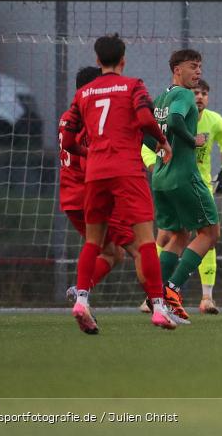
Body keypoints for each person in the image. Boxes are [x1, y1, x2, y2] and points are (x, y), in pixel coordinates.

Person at [60, 34, 175, 333]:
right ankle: (159, 307)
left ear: (97, 61)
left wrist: (92, 152)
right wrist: (162, 142)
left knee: (93, 242)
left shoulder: (83, 93)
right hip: (127, 170)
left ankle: (82, 300)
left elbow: (70, 139)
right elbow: (146, 119)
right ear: (123, 59)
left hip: (96, 173)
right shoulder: (133, 86)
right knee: (145, 241)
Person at [140, 78, 222, 314]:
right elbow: (147, 147)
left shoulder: (214, 120)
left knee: (187, 236)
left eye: (204, 92)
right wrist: (163, 164)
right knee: (181, 236)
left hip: (198, 185)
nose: (199, 96)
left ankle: (203, 297)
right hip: (181, 182)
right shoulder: (176, 113)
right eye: (195, 92)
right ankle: (166, 290)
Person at [60, 66, 146, 306]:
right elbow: (90, 161)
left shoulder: (68, 116)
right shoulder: (90, 118)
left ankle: (80, 291)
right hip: (92, 194)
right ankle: (157, 304)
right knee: (139, 248)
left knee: (112, 253)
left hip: (70, 196)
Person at [148, 49, 221, 323]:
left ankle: (156, 295)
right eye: (193, 66)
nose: (198, 72)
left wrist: (160, 148)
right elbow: (177, 121)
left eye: (200, 66)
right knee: (210, 232)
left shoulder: (160, 99)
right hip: (183, 176)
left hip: (161, 179)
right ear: (177, 69)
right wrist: (192, 141)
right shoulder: (183, 95)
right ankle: (172, 290)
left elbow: (145, 133)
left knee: (177, 235)